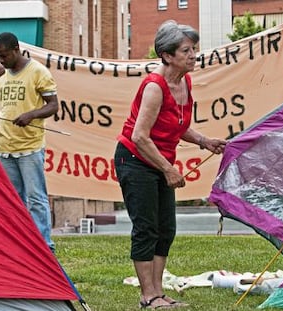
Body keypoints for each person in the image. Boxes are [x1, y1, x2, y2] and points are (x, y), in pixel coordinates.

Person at [114, 20, 226, 309]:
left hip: (158, 160)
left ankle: (159, 292)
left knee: (166, 229)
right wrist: (167, 168)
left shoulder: (184, 81)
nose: (193, 55)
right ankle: (148, 295)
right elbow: (140, 136)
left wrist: (204, 140)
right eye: (186, 50)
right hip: (136, 160)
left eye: (194, 50)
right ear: (167, 55)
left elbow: (177, 124)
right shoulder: (154, 87)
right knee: (146, 228)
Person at [0, 32, 58, 252]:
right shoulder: (0, 78)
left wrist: (31, 115)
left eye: (4, 56)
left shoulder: (38, 72)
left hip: (30, 148)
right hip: (5, 149)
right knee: (13, 202)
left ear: (16, 50)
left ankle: (45, 247)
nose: (1, 61)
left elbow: (53, 106)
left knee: (36, 199)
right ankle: (20, 248)